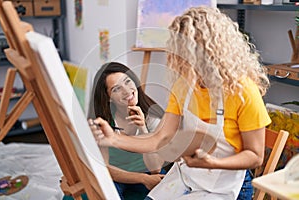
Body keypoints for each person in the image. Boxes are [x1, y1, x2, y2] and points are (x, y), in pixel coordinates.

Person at [90, 6, 271, 200]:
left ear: (212, 52)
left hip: (226, 186)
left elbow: (255, 156)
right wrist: (114, 139)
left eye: (186, 53)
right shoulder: (184, 87)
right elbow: (160, 137)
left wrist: (211, 163)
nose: (181, 60)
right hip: (187, 176)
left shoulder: (243, 91)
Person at [88, 62, 166, 200]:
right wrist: (141, 178)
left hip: (146, 170)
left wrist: (143, 129)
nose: (127, 91)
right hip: (117, 174)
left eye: (127, 81)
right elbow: (105, 167)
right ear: (108, 98)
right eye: (116, 89)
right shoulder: (103, 122)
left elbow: (155, 169)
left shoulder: (153, 118)